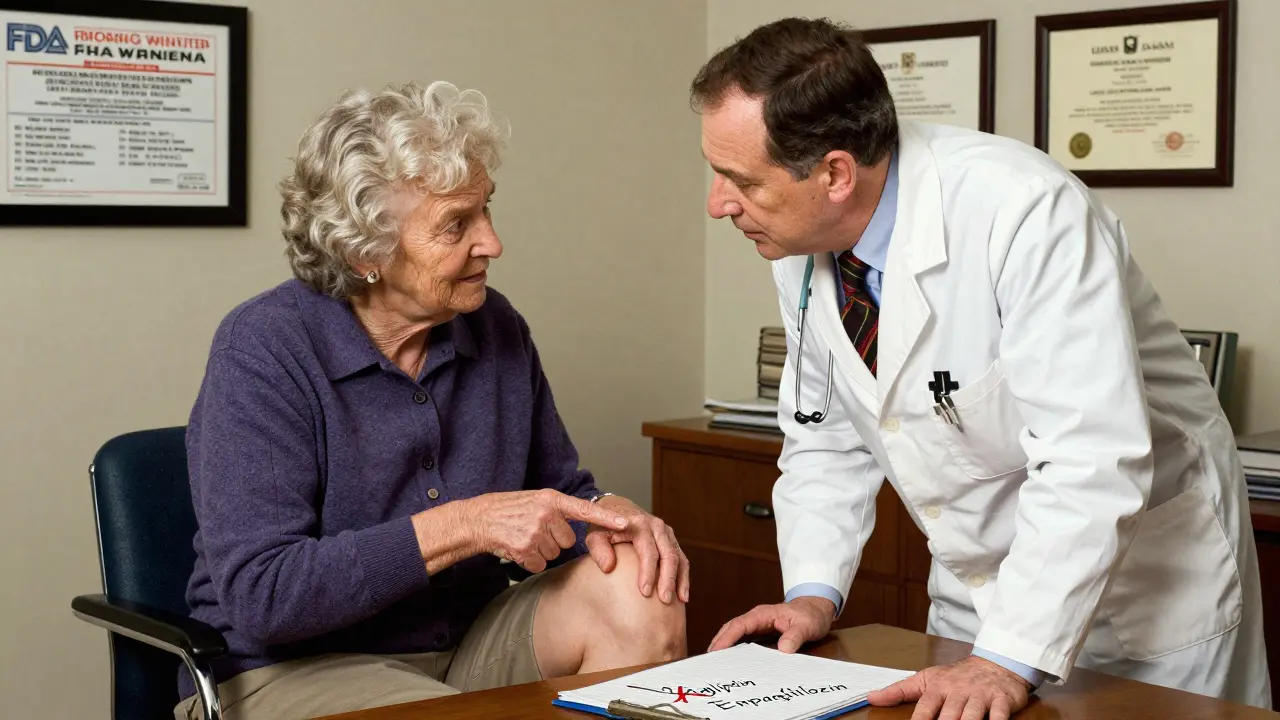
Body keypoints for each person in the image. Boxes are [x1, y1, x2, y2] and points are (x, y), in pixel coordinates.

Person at [693, 17, 1270, 719]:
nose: (719, 203)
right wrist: (813, 592)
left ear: (835, 173)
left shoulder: (1023, 211)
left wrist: (1006, 657)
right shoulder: (802, 250)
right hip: (976, 588)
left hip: (1142, 590)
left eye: (739, 180)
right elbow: (825, 433)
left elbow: (1091, 455)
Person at [175, 81, 688, 720]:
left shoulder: (494, 326)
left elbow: (559, 491)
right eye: (456, 224)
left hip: (465, 644)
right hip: (288, 671)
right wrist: (468, 523)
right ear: (364, 251)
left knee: (638, 586)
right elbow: (264, 595)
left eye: (487, 209)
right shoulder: (262, 349)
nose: (492, 243)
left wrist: (615, 518)